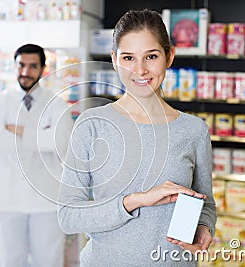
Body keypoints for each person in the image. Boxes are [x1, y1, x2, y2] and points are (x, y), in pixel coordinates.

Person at [57, 9, 217, 266]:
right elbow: (68, 216)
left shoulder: (193, 130)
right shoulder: (92, 125)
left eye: (151, 56)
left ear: (169, 56)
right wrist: (136, 201)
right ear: (114, 59)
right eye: (128, 57)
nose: (140, 70)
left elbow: (205, 203)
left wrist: (204, 228)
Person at [0, 44, 74, 267]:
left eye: (33, 66)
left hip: (45, 196)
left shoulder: (57, 104)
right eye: (21, 65)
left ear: (43, 68)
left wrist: (18, 130)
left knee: (49, 259)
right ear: (14, 66)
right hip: (6, 194)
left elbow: (61, 142)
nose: (25, 72)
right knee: (9, 260)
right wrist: (41, 136)